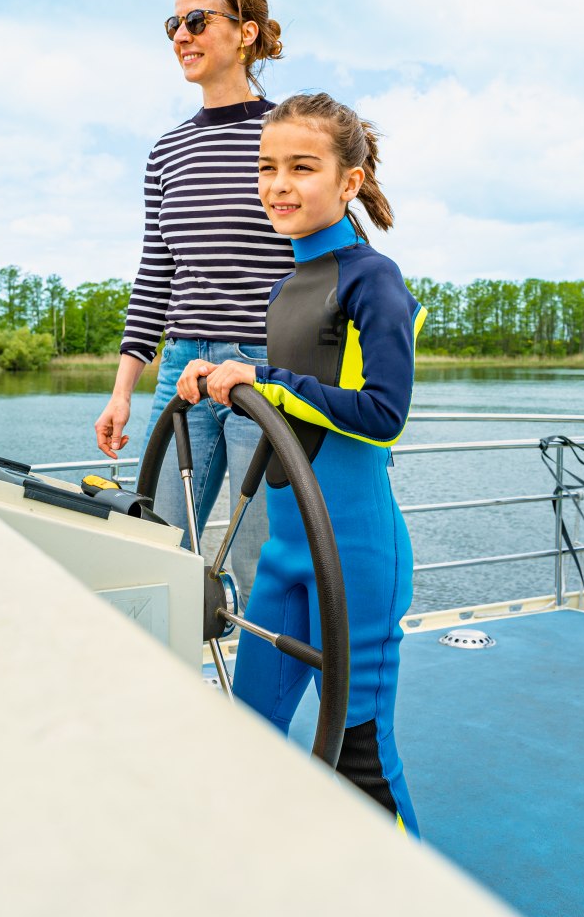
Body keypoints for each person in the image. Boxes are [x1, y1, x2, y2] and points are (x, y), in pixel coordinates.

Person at [175, 92, 425, 835]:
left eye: (301, 168)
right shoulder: (287, 287)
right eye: (267, 167)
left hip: (353, 554)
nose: (278, 184)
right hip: (286, 554)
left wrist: (267, 383)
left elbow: (384, 414)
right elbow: (287, 401)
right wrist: (215, 382)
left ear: (348, 182)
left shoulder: (372, 278)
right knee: (249, 734)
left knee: (358, 757)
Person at [94, 0, 293, 608]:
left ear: (246, 34)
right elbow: (156, 275)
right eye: (173, 24)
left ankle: (260, 703)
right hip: (181, 366)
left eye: (198, 20)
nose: (182, 34)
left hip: (263, 368)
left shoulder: (285, 137)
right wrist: (121, 393)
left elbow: (322, 261)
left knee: (259, 556)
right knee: (158, 546)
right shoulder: (166, 152)